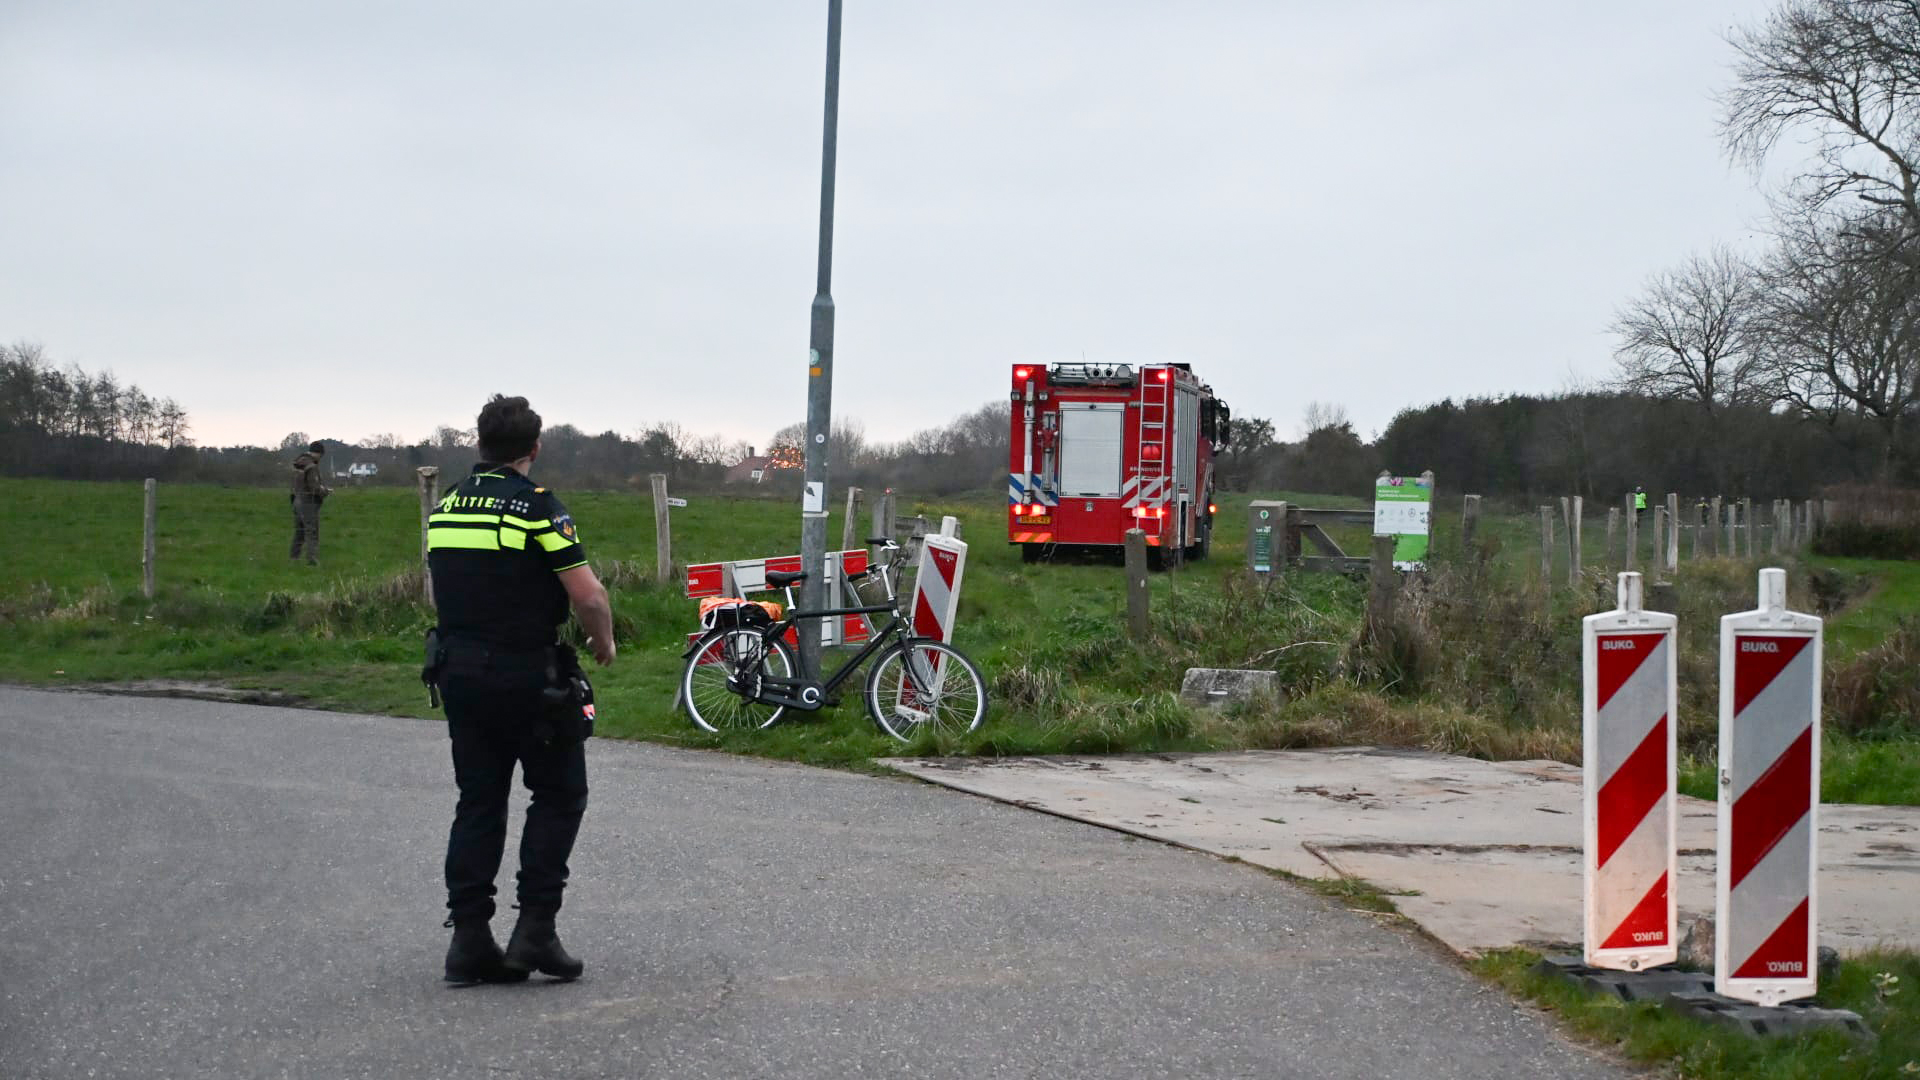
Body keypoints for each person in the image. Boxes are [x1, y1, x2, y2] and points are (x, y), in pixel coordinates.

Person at [426, 395, 615, 986]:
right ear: (534, 448)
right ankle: (535, 929)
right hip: (527, 674)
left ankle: (469, 940)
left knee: (478, 800)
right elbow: (587, 595)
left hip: (458, 669)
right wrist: (603, 643)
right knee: (559, 794)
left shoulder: (449, 506)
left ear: (479, 445)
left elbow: (437, 590)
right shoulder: (537, 508)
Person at [290, 440, 330, 564]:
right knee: (312, 531)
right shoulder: (311, 466)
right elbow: (314, 487)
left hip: (296, 500)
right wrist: (325, 491)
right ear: (318, 453)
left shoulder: (298, 463)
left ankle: (293, 558)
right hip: (308, 502)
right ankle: (312, 560)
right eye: (321, 455)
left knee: (300, 532)